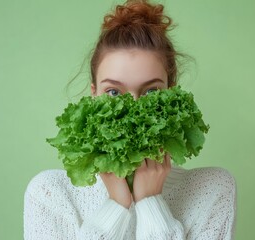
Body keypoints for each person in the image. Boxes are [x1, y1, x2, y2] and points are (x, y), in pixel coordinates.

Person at [23, 0, 236, 239]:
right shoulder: (51, 193)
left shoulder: (211, 190)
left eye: (151, 92)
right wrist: (116, 206)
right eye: (114, 92)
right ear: (93, 95)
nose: (132, 111)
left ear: (172, 93)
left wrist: (150, 202)